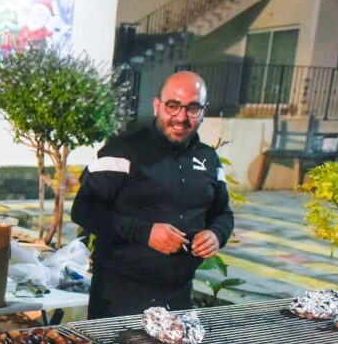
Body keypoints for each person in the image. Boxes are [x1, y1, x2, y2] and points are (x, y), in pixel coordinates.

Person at [71, 70, 234, 319]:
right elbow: (84, 209)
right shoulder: (122, 151)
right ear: (157, 105)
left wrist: (216, 233)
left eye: (192, 108)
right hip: (119, 295)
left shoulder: (208, 159)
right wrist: (145, 232)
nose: (181, 117)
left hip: (178, 296)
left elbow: (222, 213)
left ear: (203, 111)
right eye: (173, 106)